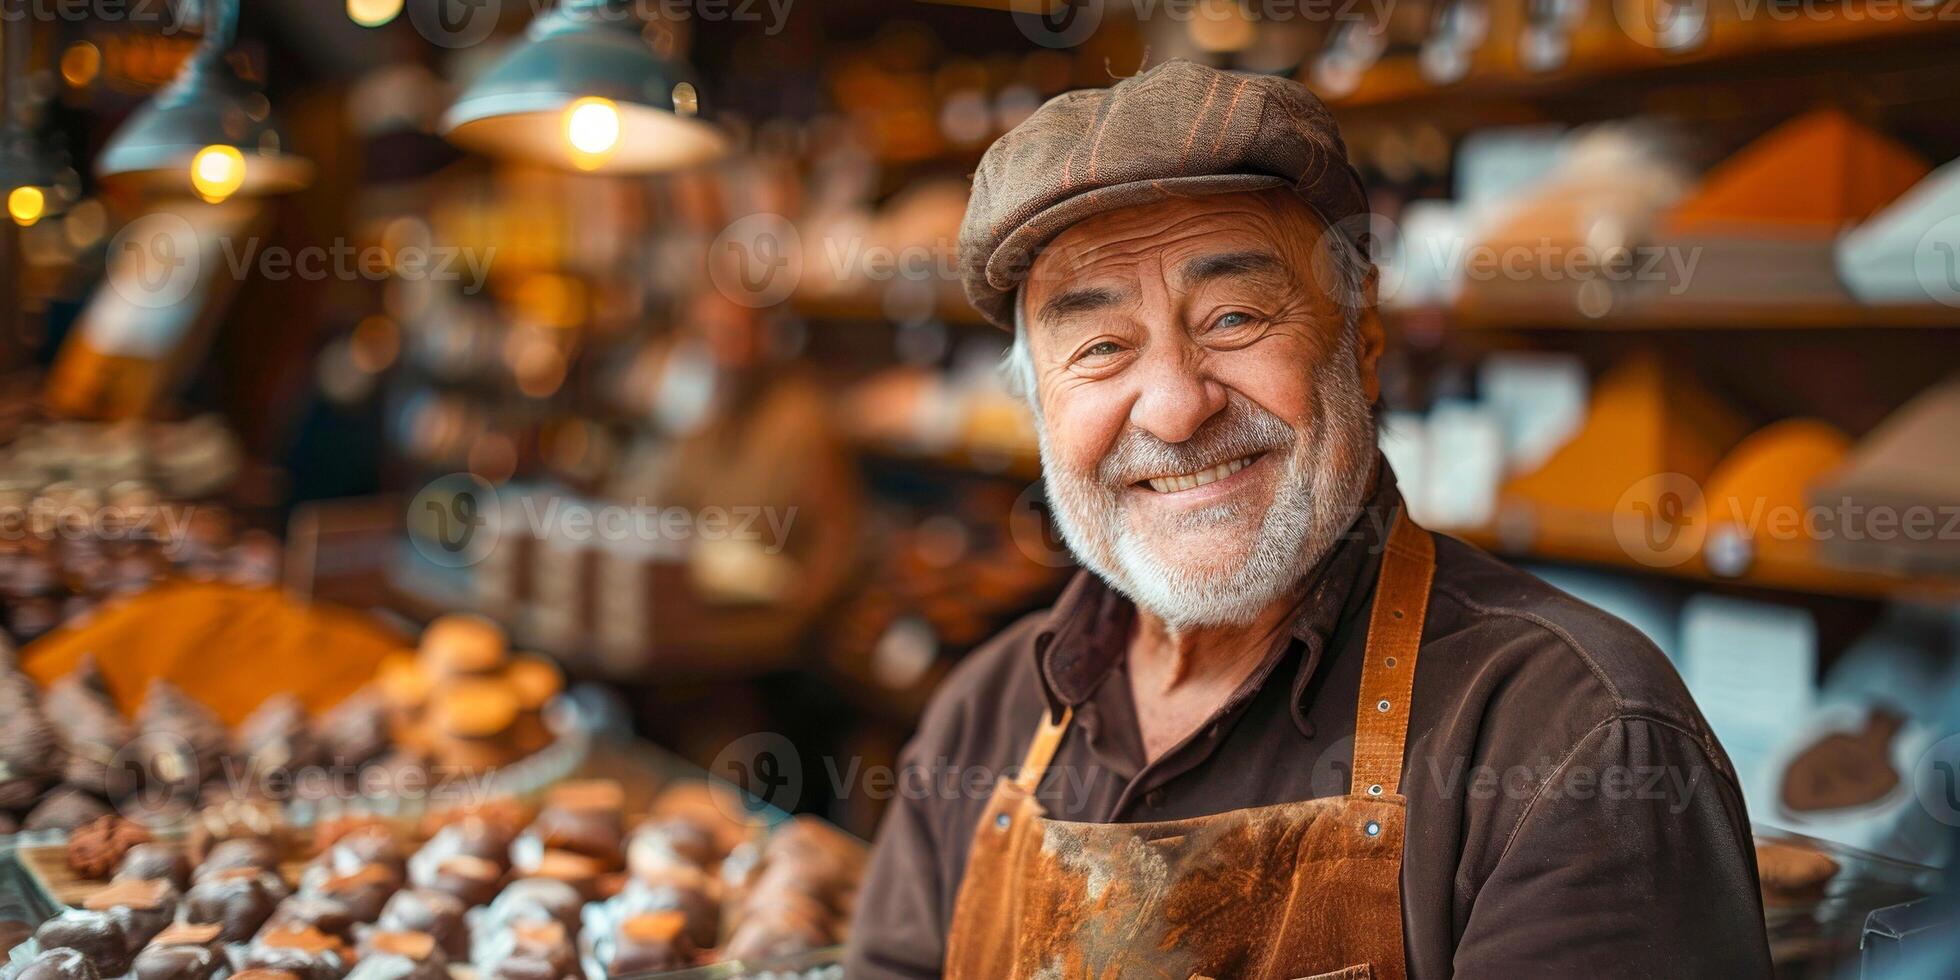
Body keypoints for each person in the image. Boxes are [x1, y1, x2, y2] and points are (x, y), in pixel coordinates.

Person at [847, 60, 1772, 979]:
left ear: (1362, 348)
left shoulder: (1570, 740)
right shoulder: (984, 721)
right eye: (1099, 346)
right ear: (1039, 411)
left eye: (1235, 317)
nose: (1175, 408)